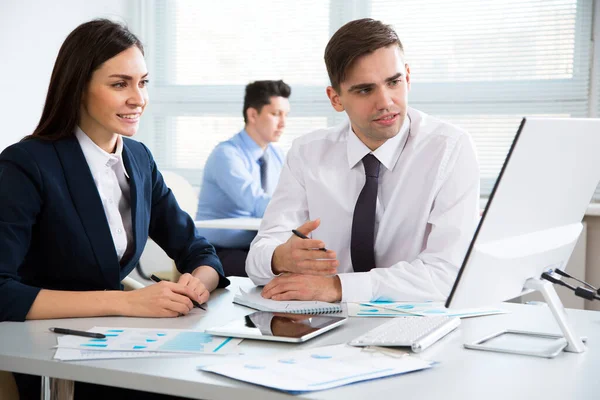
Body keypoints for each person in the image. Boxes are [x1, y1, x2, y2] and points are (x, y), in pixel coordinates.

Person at [0, 19, 228, 399]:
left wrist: (196, 284)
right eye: (119, 84)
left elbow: (198, 250)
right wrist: (127, 302)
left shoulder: (137, 159)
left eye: (143, 82)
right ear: (78, 88)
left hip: (120, 345)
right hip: (51, 356)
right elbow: (2, 291)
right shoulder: (26, 165)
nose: (138, 98)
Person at [245, 18, 480, 303]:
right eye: (365, 90)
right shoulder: (307, 153)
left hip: (414, 320)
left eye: (394, 82)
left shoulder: (449, 149)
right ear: (335, 99)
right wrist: (279, 257)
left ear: (407, 77)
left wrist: (337, 288)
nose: (386, 102)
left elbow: (447, 274)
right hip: (324, 324)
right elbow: (257, 258)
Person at [196, 80, 291, 277]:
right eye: (275, 114)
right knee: (283, 274)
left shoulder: (276, 155)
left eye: (286, 115)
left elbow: (286, 197)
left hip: (256, 245)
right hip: (216, 251)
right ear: (253, 114)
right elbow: (257, 203)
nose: (283, 123)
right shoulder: (226, 155)